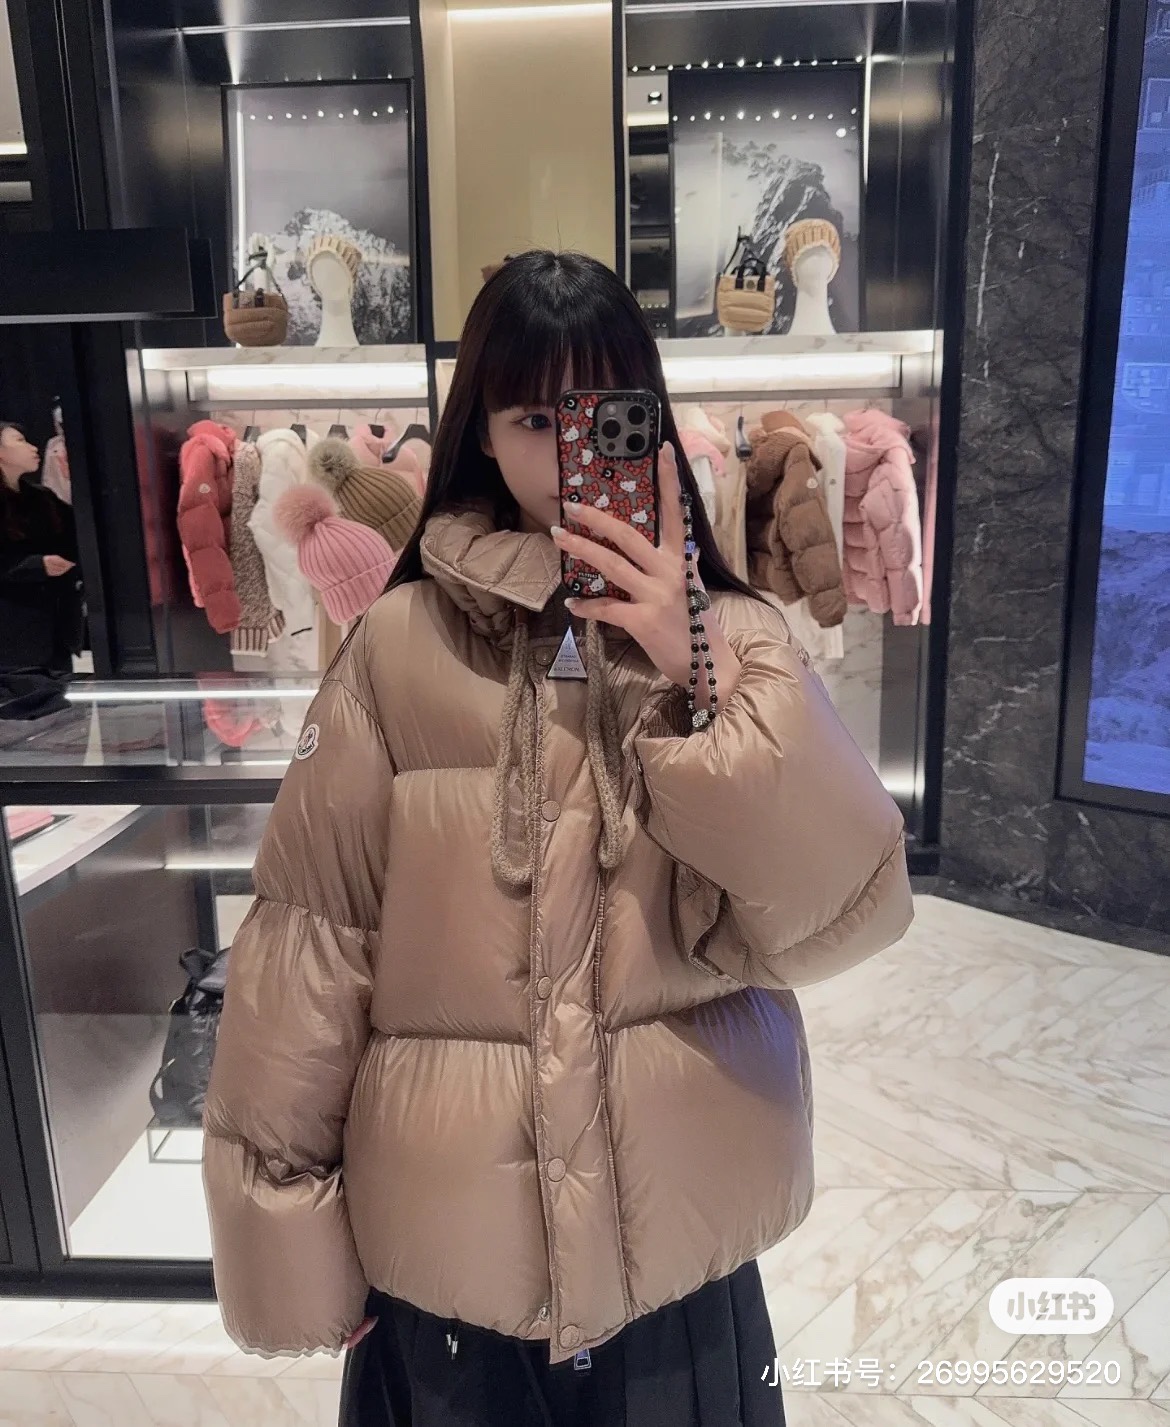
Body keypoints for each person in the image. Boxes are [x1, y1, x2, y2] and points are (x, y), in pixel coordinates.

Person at [202, 251, 914, 1426]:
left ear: (651, 419)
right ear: (481, 432)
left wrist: (698, 669)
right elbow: (312, 946)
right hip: (449, 1272)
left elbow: (847, 910)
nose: (569, 448)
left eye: (601, 412)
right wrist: (286, 1231)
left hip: (675, 1258)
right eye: (535, 417)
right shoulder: (397, 646)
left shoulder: (737, 639)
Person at [0, 421, 82, 674]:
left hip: (56, 629)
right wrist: (37, 565)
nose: (33, 447)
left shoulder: (42, 497)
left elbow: (80, 534)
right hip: (12, 633)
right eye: (19, 441)